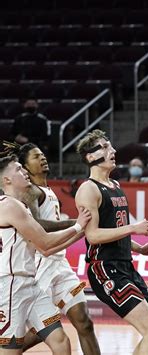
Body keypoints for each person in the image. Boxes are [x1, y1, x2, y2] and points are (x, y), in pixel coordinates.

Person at [0, 141, 100, 354]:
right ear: (7, 179)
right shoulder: (10, 205)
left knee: (61, 341)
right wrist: (78, 226)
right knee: (11, 350)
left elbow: (45, 248)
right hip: (10, 286)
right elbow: (45, 242)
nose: (24, 171)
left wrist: (81, 230)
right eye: (19, 169)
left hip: (30, 283)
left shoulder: (19, 205)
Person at [74, 129, 148, 354]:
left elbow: (114, 231)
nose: (112, 150)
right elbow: (93, 235)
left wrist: (139, 248)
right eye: (105, 147)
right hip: (105, 269)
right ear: (90, 157)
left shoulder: (115, 185)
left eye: (110, 146)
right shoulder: (88, 189)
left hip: (125, 266)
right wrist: (134, 228)